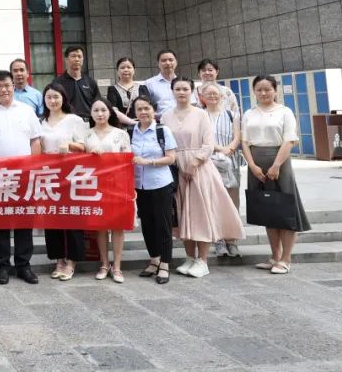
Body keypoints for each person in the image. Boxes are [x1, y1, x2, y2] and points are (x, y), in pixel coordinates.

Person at [163, 77, 244, 279]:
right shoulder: (165, 116)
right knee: (183, 214)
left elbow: (208, 144)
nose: (181, 92)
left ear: (192, 92)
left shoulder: (201, 114)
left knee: (201, 213)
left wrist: (194, 162)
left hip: (199, 168)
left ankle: (203, 260)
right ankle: (190, 257)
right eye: (177, 89)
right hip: (176, 168)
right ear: (172, 91)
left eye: (185, 89)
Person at [0, 70, 42, 286]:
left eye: (7, 85)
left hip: (24, 175)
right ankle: (2, 265)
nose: (4, 89)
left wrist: (34, 168)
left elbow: (35, 141)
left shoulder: (26, 110)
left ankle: (23, 265)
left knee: (24, 220)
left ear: (13, 86)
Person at [242, 75, 311, 274]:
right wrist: (252, 165)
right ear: (254, 92)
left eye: (267, 89)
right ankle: (275, 256)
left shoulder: (284, 112)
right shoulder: (249, 113)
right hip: (256, 164)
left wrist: (276, 165)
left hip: (279, 162)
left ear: (275, 90)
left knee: (286, 209)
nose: (263, 93)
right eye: (259, 89)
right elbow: (244, 141)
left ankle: (286, 259)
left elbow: (289, 140)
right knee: (268, 209)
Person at [38, 83, 89, 281]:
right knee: (53, 218)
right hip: (48, 176)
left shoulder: (74, 120)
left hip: (71, 175)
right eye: (49, 97)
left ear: (63, 99)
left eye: (56, 97)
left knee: (72, 218)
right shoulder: (40, 121)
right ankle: (59, 259)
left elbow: (83, 146)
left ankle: (72, 261)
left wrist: (69, 145)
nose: (52, 101)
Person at [129, 96, 177, 285]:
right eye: (139, 109)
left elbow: (171, 158)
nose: (143, 112)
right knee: (147, 224)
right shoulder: (131, 131)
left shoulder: (162, 131)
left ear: (153, 110)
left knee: (163, 224)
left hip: (160, 183)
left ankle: (165, 264)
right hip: (140, 185)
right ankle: (154, 259)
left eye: (146, 108)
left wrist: (148, 162)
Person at [84, 98, 131, 283]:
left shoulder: (121, 134)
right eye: (96, 110)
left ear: (110, 112)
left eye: (103, 110)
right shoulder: (86, 134)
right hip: (94, 185)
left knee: (117, 226)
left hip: (117, 184)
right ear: (91, 113)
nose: (100, 114)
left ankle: (117, 266)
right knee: (100, 226)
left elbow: (127, 159)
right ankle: (104, 264)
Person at [200, 82, 243, 258]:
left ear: (222, 96)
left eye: (215, 93)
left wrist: (230, 148)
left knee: (232, 201)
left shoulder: (232, 114)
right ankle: (218, 240)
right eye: (208, 94)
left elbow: (238, 135)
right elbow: (202, 139)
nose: (212, 96)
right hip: (209, 162)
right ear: (202, 97)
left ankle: (232, 240)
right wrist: (219, 149)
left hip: (230, 162)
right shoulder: (200, 115)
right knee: (213, 201)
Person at [52, 46, 100, 121]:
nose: (77, 59)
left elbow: (98, 103)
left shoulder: (90, 82)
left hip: (88, 122)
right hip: (67, 122)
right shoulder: (58, 82)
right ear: (66, 59)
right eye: (73, 56)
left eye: (79, 56)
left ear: (83, 59)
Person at [106, 57, 151, 126]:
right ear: (117, 71)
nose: (126, 70)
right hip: (121, 127)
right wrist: (134, 123)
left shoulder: (142, 88)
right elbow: (113, 111)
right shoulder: (112, 90)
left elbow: (149, 108)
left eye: (129, 67)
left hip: (143, 125)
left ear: (134, 70)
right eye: (122, 68)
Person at [143, 49, 179, 120]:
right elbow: (145, 106)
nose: (168, 63)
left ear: (176, 62)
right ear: (158, 64)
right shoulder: (149, 84)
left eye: (171, 60)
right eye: (163, 60)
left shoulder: (184, 82)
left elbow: (192, 104)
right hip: (160, 122)